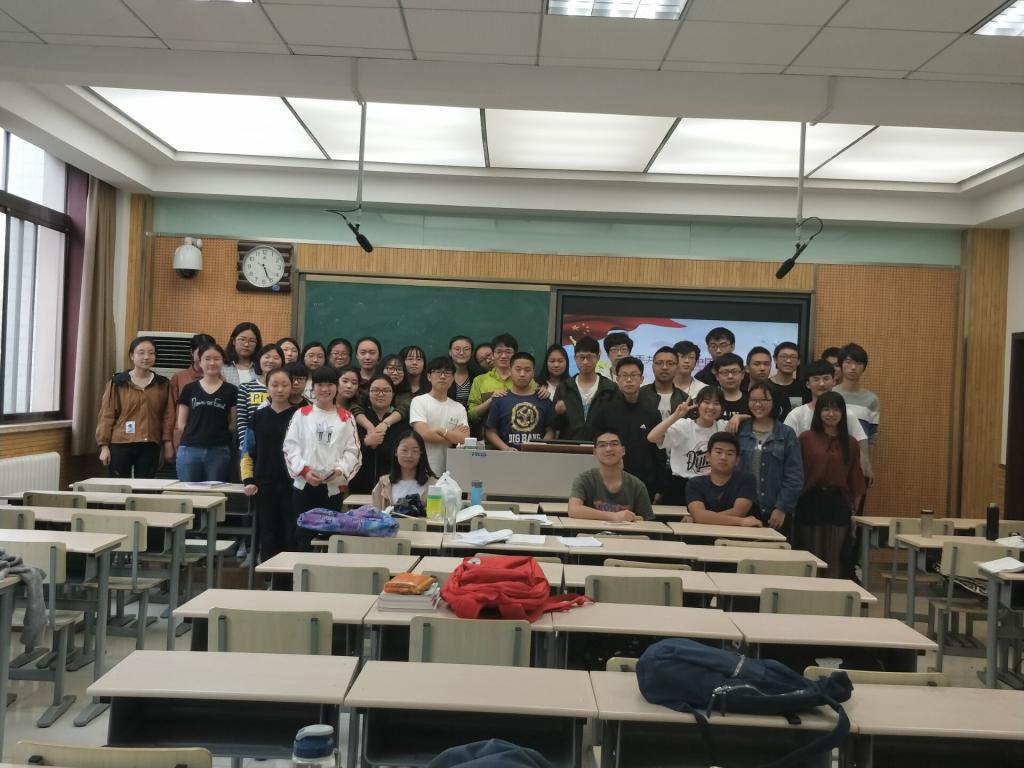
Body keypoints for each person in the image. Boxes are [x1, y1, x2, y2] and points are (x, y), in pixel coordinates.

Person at [283, 366, 362, 550]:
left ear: (336, 387)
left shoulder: (346, 417)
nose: (325, 389)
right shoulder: (302, 414)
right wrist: (305, 471)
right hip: (304, 486)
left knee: (329, 539)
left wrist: (340, 470)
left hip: (332, 489)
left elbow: (353, 452)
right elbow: (290, 447)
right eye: (320, 385)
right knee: (302, 537)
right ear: (313, 387)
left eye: (330, 385)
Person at [795, 392, 866, 579]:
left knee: (835, 557)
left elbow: (855, 478)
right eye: (826, 409)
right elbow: (796, 472)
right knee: (811, 556)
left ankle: (832, 594)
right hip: (810, 500)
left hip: (838, 502)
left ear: (843, 413)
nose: (831, 414)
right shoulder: (806, 438)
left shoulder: (851, 443)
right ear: (819, 412)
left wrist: (854, 511)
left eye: (836, 409)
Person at [241, 367, 300, 565]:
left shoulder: (300, 416)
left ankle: (289, 577)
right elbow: (247, 451)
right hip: (264, 485)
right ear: (267, 387)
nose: (280, 389)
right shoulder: (258, 417)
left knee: (291, 532)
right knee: (268, 534)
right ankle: (269, 577)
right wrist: (248, 479)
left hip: (294, 485)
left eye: (284, 385)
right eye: (275, 385)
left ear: (292, 387)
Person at [784, 360, 873, 486]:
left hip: (838, 481)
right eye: (816, 379)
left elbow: (860, 440)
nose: (822, 384)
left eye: (826, 379)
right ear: (808, 384)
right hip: (804, 479)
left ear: (834, 381)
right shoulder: (796, 415)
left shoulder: (846, 414)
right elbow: (786, 447)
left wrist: (866, 467)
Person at [588, 356, 666, 501]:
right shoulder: (605, 409)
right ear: (617, 380)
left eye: (633, 375)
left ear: (642, 379)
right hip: (609, 481)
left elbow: (659, 452)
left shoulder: (652, 412)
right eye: (624, 376)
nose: (629, 380)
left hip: (644, 483)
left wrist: (660, 488)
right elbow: (594, 443)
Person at [95, 336, 172, 478]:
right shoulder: (118, 382)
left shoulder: (163, 384)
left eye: (151, 353)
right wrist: (104, 446)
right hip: (120, 443)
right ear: (132, 355)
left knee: (145, 488)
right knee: (119, 487)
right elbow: (107, 414)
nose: (146, 357)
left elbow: (167, 417)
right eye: (141, 353)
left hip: (150, 444)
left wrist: (167, 443)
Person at [736, 382, 803, 532]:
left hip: (775, 511)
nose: (758, 404)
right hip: (742, 509)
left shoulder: (786, 434)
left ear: (774, 402)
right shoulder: (739, 430)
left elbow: (794, 476)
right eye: (753, 400)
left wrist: (782, 508)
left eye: (764, 400)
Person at [647, 386, 727, 506]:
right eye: (706, 402)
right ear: (697, 404)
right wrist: (676, 416)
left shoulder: (723, 427)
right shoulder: (684, 426)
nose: (711, 407)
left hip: (712, 487)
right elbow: (652, 437)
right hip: (681, 486)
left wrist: (739, 417)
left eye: (716, 403)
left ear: (722, 408)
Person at [175, 342, 237, 482]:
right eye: (207, 359)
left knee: (215, 492)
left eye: (217, 359)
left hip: (218, 451)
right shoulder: (189, 389)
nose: (212, 363)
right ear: (200, 362)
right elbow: (181, 423)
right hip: (190, 449)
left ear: (223, 361)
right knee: (188, 491)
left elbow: (233, 424)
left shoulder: (232, 390)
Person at [568, 429, 653, 522]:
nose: (608, 449)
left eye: (614, 444)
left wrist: (633, 518)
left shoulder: (637, 485)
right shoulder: (584, 479)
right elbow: (573, 510)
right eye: (602, 445)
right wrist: (614, 516)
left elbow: (647, 519)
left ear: (623, 450)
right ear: (595, 452)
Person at [685, 432, 761, 527]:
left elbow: (739, 512)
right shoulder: (694, 483)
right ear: (708, 457)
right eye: (718, 452)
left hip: (738, 533)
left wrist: (702, 518)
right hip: (704, 533)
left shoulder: (747, 480)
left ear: (737, 460)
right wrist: (741, 522)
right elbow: (700, 515)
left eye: (730, 453)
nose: (723, 457)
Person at [409, 356, 470, 476]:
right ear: (429, 376)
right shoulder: (419, 401)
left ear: (453, 378)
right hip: (423, 468)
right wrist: (453, 435)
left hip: (450, 470)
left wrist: (440, 430)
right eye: (438, 372)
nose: (443, 376)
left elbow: (464, 439)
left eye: (447, 373)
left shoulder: (459, 408)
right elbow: (423, 434)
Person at [485, 352, 555, 450]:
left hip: (537, 455)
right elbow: (490, 431)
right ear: (510, 371)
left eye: (527, 370)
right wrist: (506, 449)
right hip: (507, 456)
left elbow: (551, 431)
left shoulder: (543, 399)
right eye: (518, 369)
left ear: (533, 372)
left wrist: (540, 447)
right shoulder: (500, 399)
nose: (522, 374)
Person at [553, 335, 617, 440]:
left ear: (598, 357)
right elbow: (554, 425)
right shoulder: (564, 387)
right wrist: (559, 413)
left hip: (600, 446)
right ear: (575, 358)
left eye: (590, 357)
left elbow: (616, 422)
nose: (585, 362)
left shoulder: (610, 388)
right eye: (581, 357)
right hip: (570, 446)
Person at [350, 375, 406, 494]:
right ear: (368, 393)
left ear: (393, 394)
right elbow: (347, 450)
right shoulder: (356, 419)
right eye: (375, 390)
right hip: (359, 485)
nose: (380, 394)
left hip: (394, 487)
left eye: (386, 390)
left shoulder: (402, 421)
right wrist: (365, 443)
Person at [468, 333, 535, 429]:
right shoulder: (479, 380)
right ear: (493, 354)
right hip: (489, 434)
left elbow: (535, 406)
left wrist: (542, 392)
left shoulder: (525, 378)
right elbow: (472, 415)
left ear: (515, 355)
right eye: (499, 351)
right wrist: (490, 401)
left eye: (508, 352)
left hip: (521, 432)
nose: (503, 356)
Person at [165, 332, 215, 454]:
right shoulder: (179, 378)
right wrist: (167, 442)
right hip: (182, 442)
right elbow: (170, 411)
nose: (204, 358)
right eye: (200, 353)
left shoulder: (220, 380)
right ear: (192, 353)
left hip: (212, 444)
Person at [236, 342, 284, 454]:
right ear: (259, 360)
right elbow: (242, 421)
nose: (271, 361)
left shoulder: (285, 389)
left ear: (282, 362)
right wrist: (246, 445)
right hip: (250, 446)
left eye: (276, 358)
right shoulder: (246, 387)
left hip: (279, 447)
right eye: (267, 357)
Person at [372, 430, 437, 510]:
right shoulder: (384, 484)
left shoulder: (433, 485)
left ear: (421, 453)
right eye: (404, 450)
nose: (409, 455)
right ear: (396, 452)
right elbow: (375, 514)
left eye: (415, 451)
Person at [834, 343, 880, 450]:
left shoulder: (872, 399)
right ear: (841, 365)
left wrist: (867, 459)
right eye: (848, 362)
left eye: (858, 363)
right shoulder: (830, 394)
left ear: (864, 367)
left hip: (859, 454)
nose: (853, 367)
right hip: (831, 453)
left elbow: (872, 436)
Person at [745, 346, 791, 422]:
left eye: (766, 364)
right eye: (757, 364)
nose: (762, 368)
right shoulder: (740, 393)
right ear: (747, 368)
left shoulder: (780, 394)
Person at [639, 346, 686, 420]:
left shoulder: (685, 399)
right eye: (659, 363)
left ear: (677, 368)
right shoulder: (639, 395)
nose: (664, 367)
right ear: (653, 366)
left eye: (670, 363)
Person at [770, 342, 810, 409]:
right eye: (784, 356)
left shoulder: (804, 388)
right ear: (775, 360)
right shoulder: (764, 386)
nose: (788, 361)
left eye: (793, 357)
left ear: (798, 361)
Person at [221, 322, 261, 387]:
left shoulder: (261, 367)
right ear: (233, 341)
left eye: (252, 341)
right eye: (242, 339)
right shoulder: (222, 366)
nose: (246, 344)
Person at [711, 353, 748, 421]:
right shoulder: (709, 400)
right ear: (717, 376)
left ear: (742, 374)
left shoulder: (750, 400)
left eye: (734, 371)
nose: (730, 376)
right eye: (725, 372)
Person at [447, 335, 475, 408]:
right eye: (457, 349)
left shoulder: (477, 374)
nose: (461, 353)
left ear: (472, 353)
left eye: (466, 349)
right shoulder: (442, 375)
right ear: (450, 352)